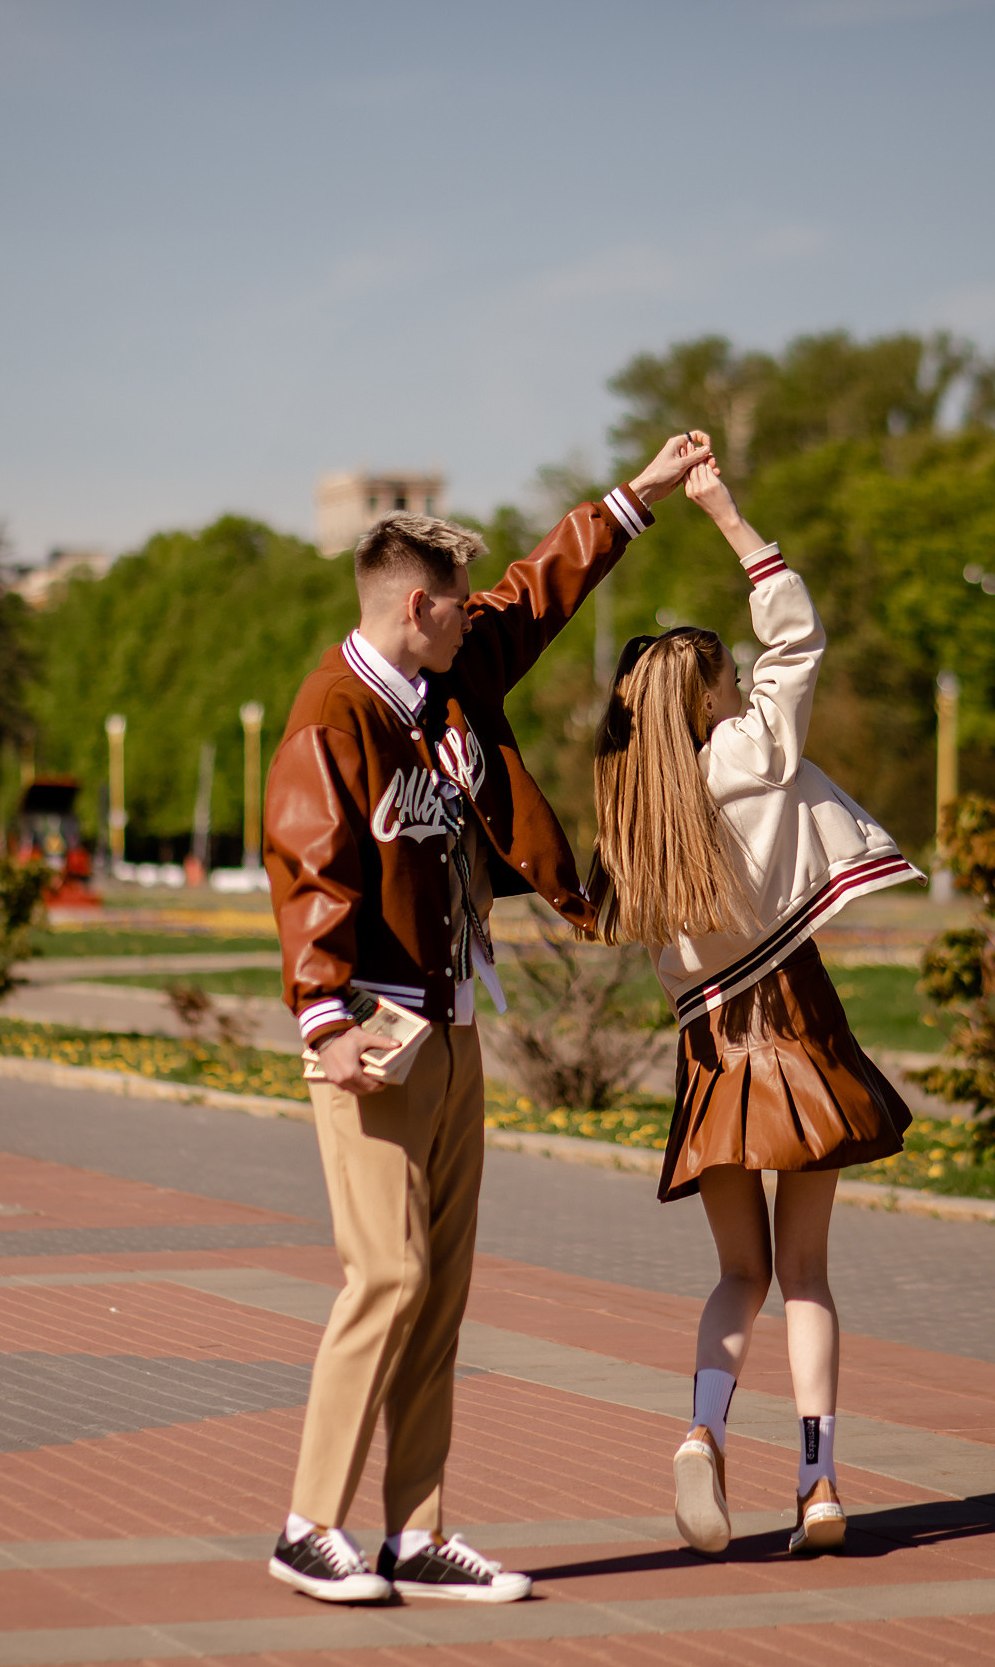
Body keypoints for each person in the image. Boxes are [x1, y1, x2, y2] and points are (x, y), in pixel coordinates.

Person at [263, 432, 712, 1605]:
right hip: (370, 1036)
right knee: (386, 1275)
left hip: (452, 1025)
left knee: (441, 1288)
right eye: (460, 610)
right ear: (417, 606)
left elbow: (540, 589)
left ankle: (416, 1531)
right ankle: (310, 1524)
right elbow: (307, 872)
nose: (480, 621)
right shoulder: (332, 715)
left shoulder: (451, 675)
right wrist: (324, 1024)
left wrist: (640, 497)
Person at [588, 443, 922, 1558]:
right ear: (716, 693)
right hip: (797, 1032)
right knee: (808, 1275)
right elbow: (799, 633)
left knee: (739, 1275)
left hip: (710, 1057)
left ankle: (701, 1433)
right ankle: (821, 1488)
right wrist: (725, 513)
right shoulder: (752, 752)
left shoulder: (637, 813)